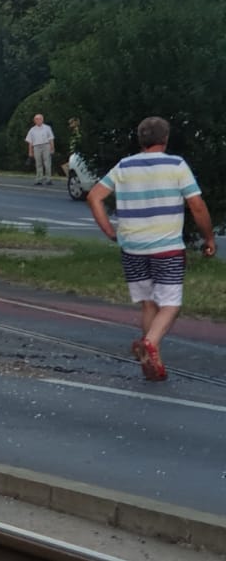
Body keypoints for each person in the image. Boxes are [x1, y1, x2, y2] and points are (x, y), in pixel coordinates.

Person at [86, 116, 215, 381]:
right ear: (165, 138)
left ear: (140, 139)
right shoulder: (177, 165)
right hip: (166, 247)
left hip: (132, 247)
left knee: (148, 304)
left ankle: (150, 360)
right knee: (171, 304)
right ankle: (150, 344)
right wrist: (208, 238)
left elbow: (94, 196)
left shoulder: (124, 166)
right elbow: (197, 206)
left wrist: (110, 231)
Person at [25, 114, 55, 185]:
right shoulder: (32, 130)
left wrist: (52, 148)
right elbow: (30, 142)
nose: (38, 120)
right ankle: (39, 179)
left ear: (42, 119)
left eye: (39, 119)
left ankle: (48, 179)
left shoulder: (47, 128)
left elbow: (51, 139)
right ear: (34, 121)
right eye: (36, 119)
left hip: (46, 145)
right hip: (36, 147)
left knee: (47, 163)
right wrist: (30, 151)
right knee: (38, 164)